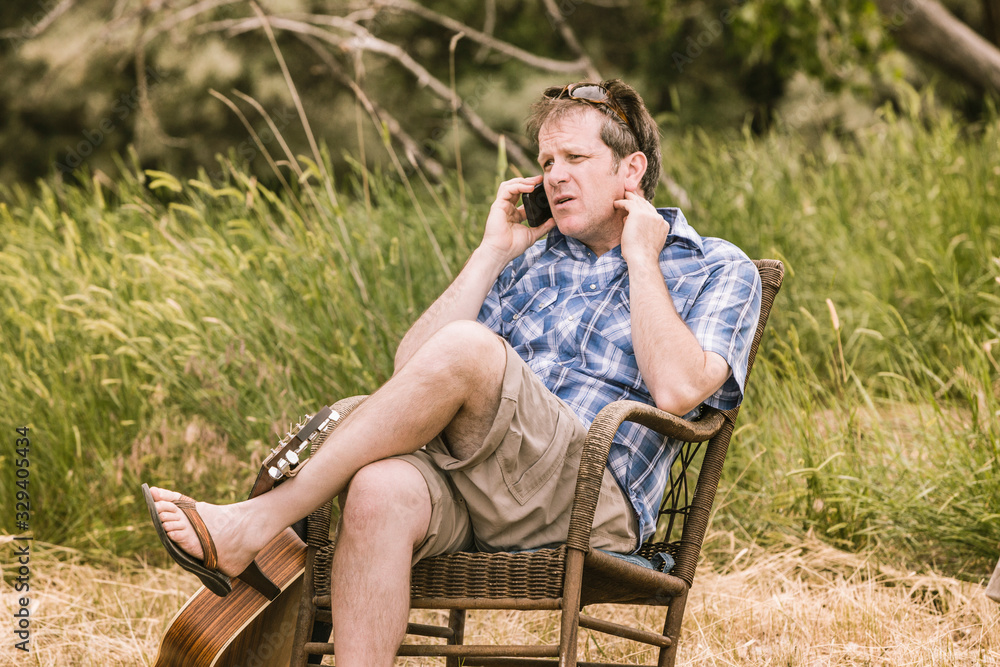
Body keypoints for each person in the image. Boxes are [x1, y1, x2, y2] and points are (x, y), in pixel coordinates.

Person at [144, 79, 761, 665]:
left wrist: (641, 257)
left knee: (468, 347)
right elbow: (414, 370)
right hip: (484, 482)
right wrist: (492, 252)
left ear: (632, 170)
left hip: (590, 494)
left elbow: (680, 391)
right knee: (380, 488)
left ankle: (256, 522)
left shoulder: (712, 266)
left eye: (575, 156)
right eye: (547, 163)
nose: (556, 176)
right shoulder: (533, 262)